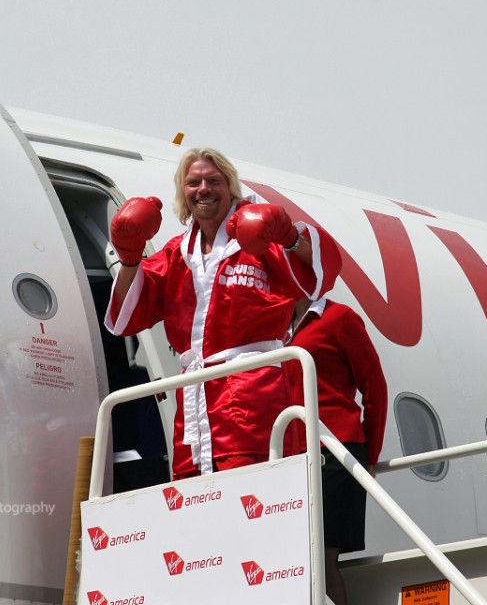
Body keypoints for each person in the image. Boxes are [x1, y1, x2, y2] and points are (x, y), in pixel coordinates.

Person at [105, 148, 342, 479]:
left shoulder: (260, 242)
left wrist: (288, 237)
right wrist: (129, 258)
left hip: (252, 396)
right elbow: (125, 319)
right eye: (193, 182)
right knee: (192, 494)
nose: (203, 188)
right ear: (183, 193)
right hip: (193, 404)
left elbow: (320, 275)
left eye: (213, 180)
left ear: (230, 187)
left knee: (252, 491)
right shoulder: (176, 253)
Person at [284, 296, 388, 605]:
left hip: (334, 451)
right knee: (298, 563)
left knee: (321, 560)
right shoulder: (276, 323)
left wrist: (369, 457)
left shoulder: (338, 318)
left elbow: (375, 388)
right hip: (293, 457)